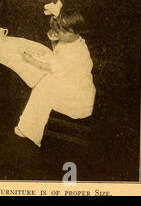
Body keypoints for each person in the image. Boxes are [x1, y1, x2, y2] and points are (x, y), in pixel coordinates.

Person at [15, 9, 96, 147]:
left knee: (41, 90)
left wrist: (30, 60)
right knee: (42, 83)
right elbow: (58, 54)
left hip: (76, 97)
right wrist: (54, 40)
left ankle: (29, 130)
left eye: (59, 32)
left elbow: (53, 68)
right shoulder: (74, 41)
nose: (56, 34)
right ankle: (28, 124)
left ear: (72, 32)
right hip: (71, 81)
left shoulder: (76, 52)